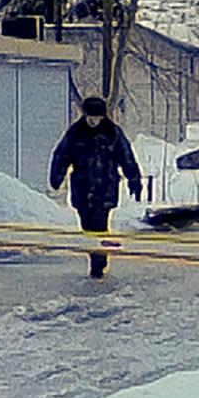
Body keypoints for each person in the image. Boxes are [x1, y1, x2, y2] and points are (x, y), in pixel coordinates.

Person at [50, 96, 143, 277]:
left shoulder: (112, 133)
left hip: (105, 187)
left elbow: (126, 157)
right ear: (85, 115)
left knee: (100, 226)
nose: (94, 121)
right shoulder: (75, 133)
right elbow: (61, 155)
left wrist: (134, 180)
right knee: (87, 227)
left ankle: (98, 265)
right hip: (82, 187)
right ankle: (96, 258)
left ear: (102, 117)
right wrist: (56, 177)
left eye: (97, 117)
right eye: (91, 117)